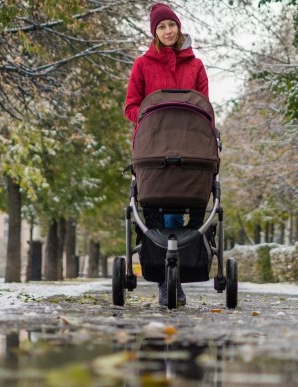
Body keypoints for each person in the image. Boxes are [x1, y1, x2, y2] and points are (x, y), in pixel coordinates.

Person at [125, 2, 209, 306]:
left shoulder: (195, 66)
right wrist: (150, 117)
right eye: (161, 27)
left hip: (189, 148)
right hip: (153, 146)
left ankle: (182, 269)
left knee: (182, 206)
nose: (168, 31)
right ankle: (164, 280)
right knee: (156, 209)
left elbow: (203, 109)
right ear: (155, 32)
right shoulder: (142, 65)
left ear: (179, 27)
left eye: (171, 25)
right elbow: (131, 105)